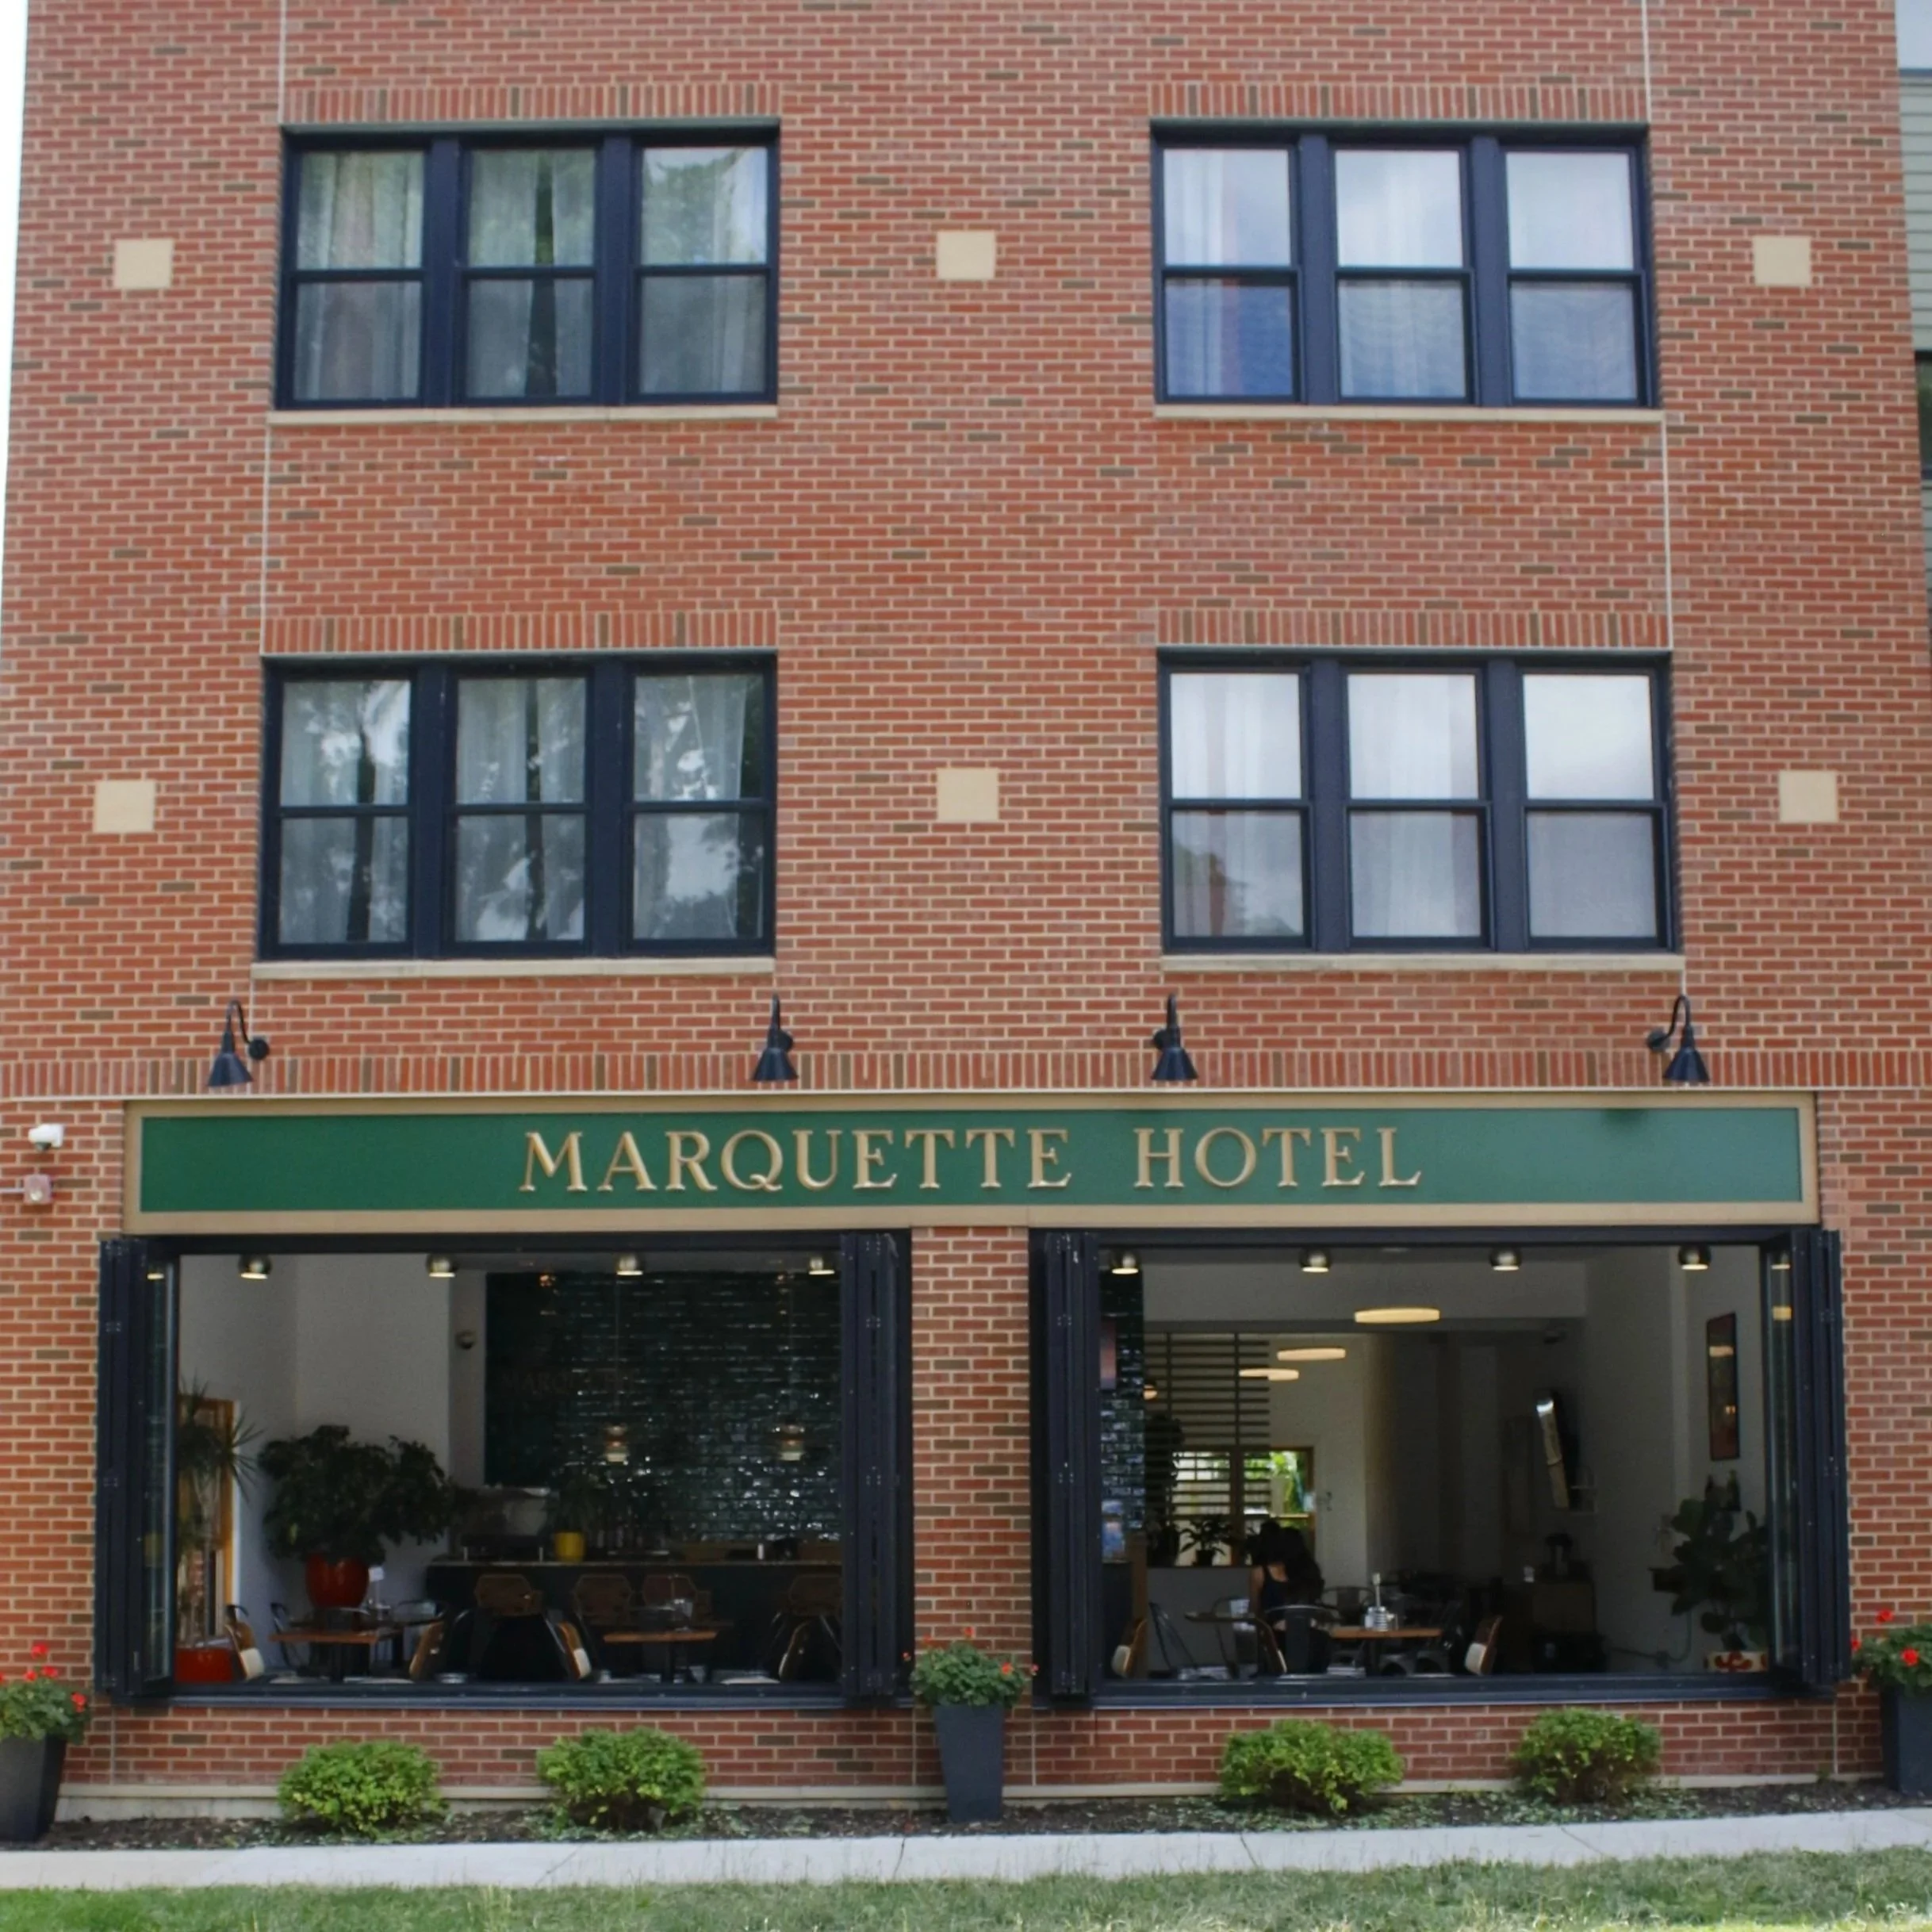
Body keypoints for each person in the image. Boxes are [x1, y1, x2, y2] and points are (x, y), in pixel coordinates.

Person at [1247, 1521, 1329, 1674]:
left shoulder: (1260, 1573)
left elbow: (1254, 1613)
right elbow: (1316, 1606)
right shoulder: (1310, 1573)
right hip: (1311, 1639)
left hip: (1275, 1641)